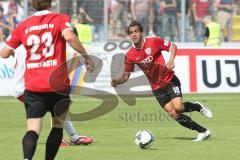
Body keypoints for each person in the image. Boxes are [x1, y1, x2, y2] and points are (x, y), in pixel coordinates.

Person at [0, 0, 95, 160]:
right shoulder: (59, 19)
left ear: (31, 4)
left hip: (32, 86)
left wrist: (12, 52)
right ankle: (72, 138)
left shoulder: (24, 26)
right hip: (53, 83)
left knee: (33, 129)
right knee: (57, 123)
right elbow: (70, 38)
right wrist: (87, 57)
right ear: (50, 3)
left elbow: (4, 53)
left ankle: (28, 158)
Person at [111, 20, 213, 142]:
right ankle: (203, 131)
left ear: (142, 33)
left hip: (169, 79)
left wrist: (171, 60)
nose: (134, 34)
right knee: (174, 114)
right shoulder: (130, 55)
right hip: (156, 88)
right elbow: (126, 76)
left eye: (136, 31)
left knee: (179, 107)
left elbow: (173, 46)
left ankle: (197, 106)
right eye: (131, 32)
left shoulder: (153, 41)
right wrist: (116, 81)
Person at [13, 49, 93, 147]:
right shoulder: (33, 49)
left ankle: (74, 137)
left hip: (22, 88)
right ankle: (60, 139)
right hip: (27, 88)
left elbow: (9, 53)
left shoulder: (22, 47)